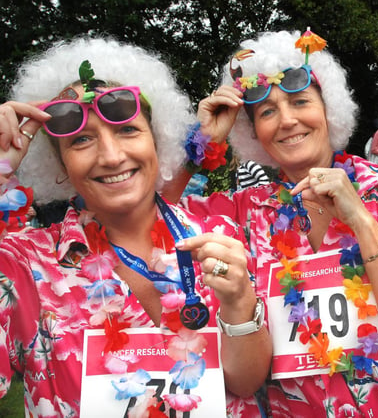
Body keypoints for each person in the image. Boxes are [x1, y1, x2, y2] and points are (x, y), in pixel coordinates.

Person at [177, 29, 378, 417]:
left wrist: (360, 218)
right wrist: (202, 142)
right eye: (267, 112)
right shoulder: (245, 211)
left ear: (329, 108)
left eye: (300, 101)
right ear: (253, 131)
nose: (287, 121)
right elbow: (152, 210)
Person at [0, 37, 271, 417]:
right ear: (60, 168)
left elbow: (245, 383)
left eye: (128, 130)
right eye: (81, 140)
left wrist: (240, 300)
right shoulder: (23, 267)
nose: (111, 156)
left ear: (157, 141)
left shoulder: (219, 236)